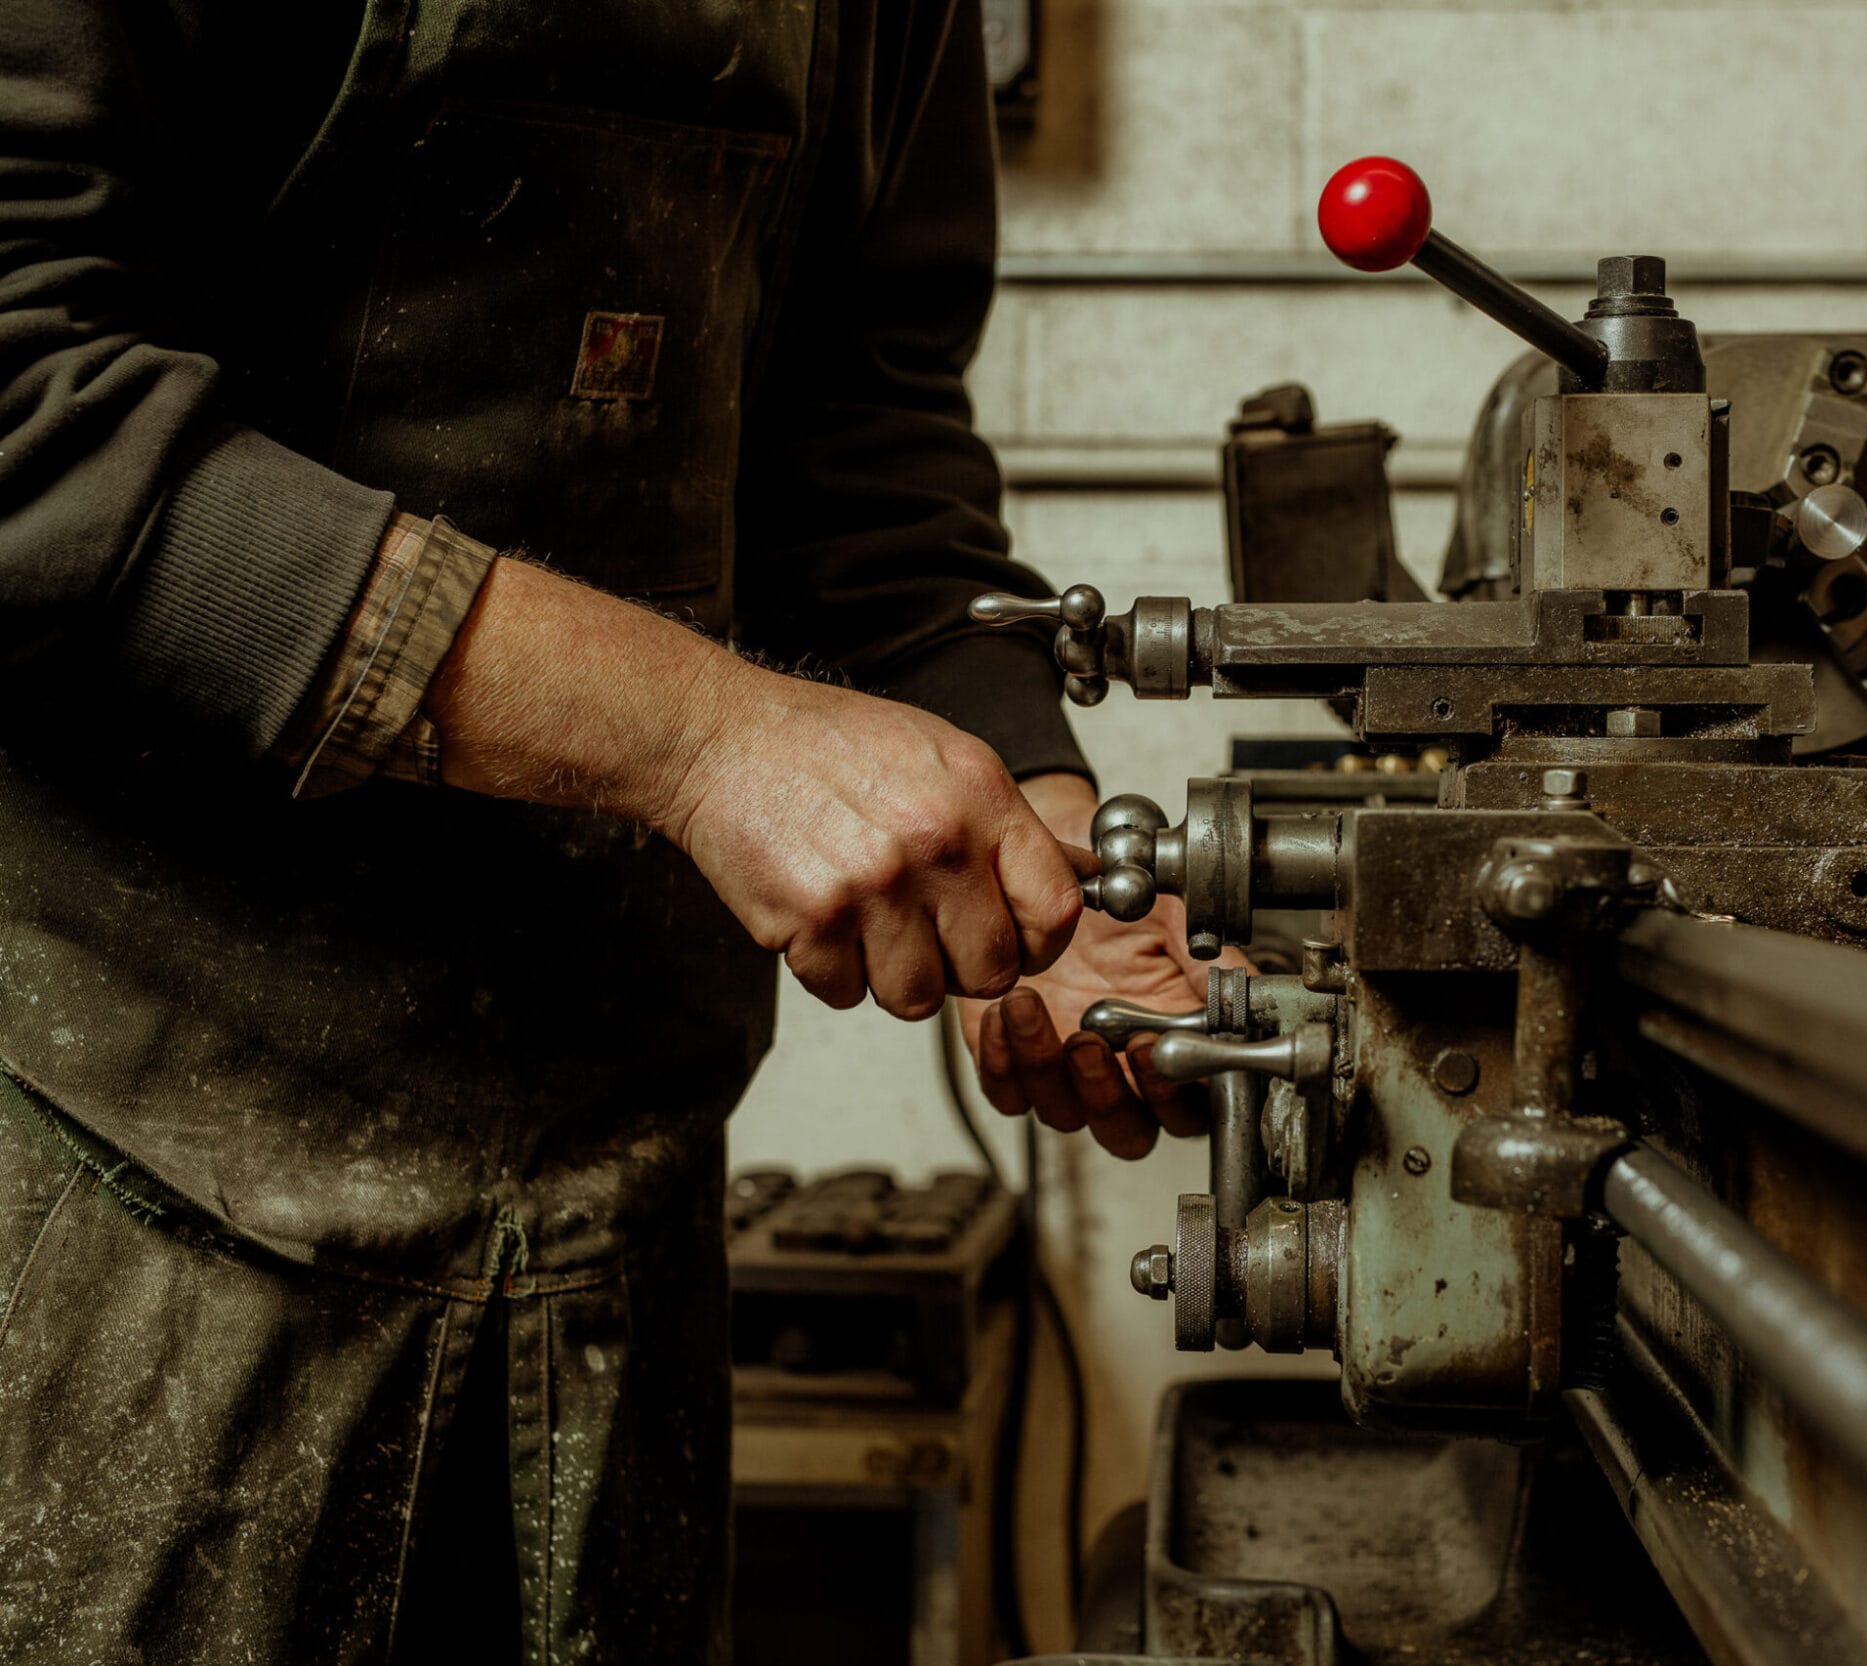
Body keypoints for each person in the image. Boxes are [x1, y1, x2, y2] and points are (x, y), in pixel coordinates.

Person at [0, 1, 1200, 1657]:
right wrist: (705, 738)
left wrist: (1040, 842)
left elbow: (863, 438)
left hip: (611, 1229)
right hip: (135, 1187)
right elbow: (24, 415)